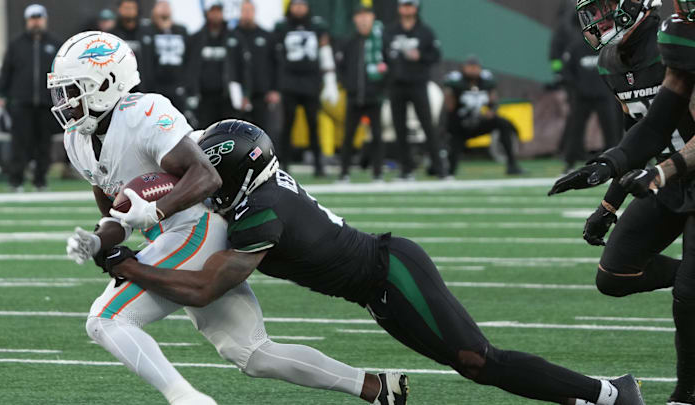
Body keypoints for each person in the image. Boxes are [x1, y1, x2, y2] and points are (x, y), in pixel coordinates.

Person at [102, 118, 645, 405]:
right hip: (378, 286)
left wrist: (126, 262)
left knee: (479, 361)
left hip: (392, 272)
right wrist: (137, 216)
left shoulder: (261, 214)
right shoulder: (255, 197)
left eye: (213, 170)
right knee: (472, 364)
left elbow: (201, 289)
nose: (205, 179)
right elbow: (185, 200)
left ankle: (609, 393)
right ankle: (587, 398)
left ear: (237, 171)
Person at [50, 31, 406, 405]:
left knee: (106, 319)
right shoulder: (77, 140)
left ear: (107, 83)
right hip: (169, 237)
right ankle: (377, 388)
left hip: (196, 227)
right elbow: (115, 216)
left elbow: (206, 175)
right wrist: (97, 239)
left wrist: (156, 210)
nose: (66, 102)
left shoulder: (143, 113)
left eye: (74, 90)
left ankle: (186, 399)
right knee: (253, 353)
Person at [548, 1, 695, 401]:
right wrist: (607, 191)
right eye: (591, 12)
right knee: (614, 275)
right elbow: (645, 130)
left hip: (679, 171)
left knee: (689, 294)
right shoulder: (621, 58)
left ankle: (688, 394)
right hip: (668, 178)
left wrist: (661, 171)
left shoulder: (673, 39)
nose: (596, 21)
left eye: (606, 7)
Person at [0, 4, 61, 192]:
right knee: (20, 143)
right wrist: (2, 93)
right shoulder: (16, 44)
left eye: (39, 18)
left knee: (43, 144)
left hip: (45, 102)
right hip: (21, 102)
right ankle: (15, 180)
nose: (36, 22)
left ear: (45, 19)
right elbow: (6, 71)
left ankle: (40, 180)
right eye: (32, 18)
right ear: (27, 21)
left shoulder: (55, 43)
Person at [272, 0, 339, 177]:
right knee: (287, 124)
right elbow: (275, 57)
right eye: (296, 4)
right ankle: (283, 164)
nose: (299, 8)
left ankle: (318, 164)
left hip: (311, 82)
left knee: (313, 124)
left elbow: (325, 51)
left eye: (302, 4)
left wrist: (330, 81)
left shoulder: (317, 26)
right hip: (290, 82)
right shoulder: (282, 27)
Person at [383, 0, 446, 179]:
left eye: (410, 5)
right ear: (399, 8)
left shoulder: (425, 31)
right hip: (397, 85)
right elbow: (383, 55)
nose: (407, 8)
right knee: (399, 128)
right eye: (404, 5)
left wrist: (421, 56)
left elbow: (436, 55)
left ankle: (439, 167)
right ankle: (406, 169)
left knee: (427, 125)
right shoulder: (390, 31)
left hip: (418, 84)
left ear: (416, 8)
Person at [442, 56, 523, 176]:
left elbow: (493, 97)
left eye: (476, 67)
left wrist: (491, 110)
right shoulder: (456, 81)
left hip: (479, 121)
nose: (473, 70)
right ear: (464, 68)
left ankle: (512, 165)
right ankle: (440, 168)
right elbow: (449, 106)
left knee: (504, 123)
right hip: (460, 125)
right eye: (470, 67)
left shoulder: (486, 80)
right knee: (451, 164)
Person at [560, 23, 622, 173]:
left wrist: (610, 88)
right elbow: (567, 72)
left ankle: (614, 162)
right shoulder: (575, 48)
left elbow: (616, 68)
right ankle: (570, 162)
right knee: (576, 130)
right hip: (582, 98)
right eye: (588, 31)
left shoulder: (606, 47)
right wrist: (577, 89)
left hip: (604, 96)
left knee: (611, 130)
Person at [337, 5, 386, 182]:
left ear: (372, 18)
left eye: (367, 15)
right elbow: (341, 67)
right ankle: (344, 172)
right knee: (348, 136)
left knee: (377, 136)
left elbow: (388, 66)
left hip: (374, 96)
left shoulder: (380, 40)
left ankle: (378, 172)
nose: (363, 19)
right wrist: (348, 85)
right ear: (355, 19)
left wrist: (381, 88)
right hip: (354, 95)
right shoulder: (349, 41)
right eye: (360, 16)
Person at [190, 0, 243, 127]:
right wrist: (191, 92)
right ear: (207, 13)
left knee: (229, 130)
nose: (215, 15)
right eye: (212, 11)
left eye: (218, 11)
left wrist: (244, 93)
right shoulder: (196, 38)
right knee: (204, 132)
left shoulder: (234, 37)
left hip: (227, 97)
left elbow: (243, 66)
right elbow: (190, 68)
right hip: (204, 96)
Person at [231, 0, 277, 130]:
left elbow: (275, 63)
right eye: (244, 11)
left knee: (262, 130)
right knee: (238, 131)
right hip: (237, 94)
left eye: (249, 10)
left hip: (261, 93)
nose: (247, 14)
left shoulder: (266, 36)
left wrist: (274, 89)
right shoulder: (231, 35)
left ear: (254, 12)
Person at [140, 0, 193, 112]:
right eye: (160, 5)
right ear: (153, 10)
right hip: (156, 85)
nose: (164, 8)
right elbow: (145, 62)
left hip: (177, 85)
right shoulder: (146, 30)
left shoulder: (181, 30)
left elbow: (190, 59)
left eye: (167, 5)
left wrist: (187, 85)